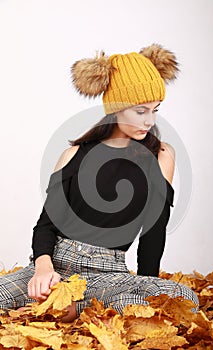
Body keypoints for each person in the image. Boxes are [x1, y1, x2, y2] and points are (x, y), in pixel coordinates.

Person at [0, 44, 199, 322]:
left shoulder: (161, 156)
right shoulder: (73, 154)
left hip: (106, 277)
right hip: (54, 267)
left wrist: (147, 290)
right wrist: (42, 268)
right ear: (116, 108)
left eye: (155, 110)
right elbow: (46, 225)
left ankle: (72, 307)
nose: (150, 121)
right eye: (141, 111)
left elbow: (154, 231)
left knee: (181, 299)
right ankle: (50, 303)